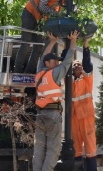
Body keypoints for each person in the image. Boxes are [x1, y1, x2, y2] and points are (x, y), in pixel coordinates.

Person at [33, 30, 79, 171]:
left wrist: (52, 41)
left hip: (40, 115)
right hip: (53, 114)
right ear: (49, 62)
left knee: (39, 147)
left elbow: (43, 57)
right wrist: (73, 40)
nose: (56, 62)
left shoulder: (39, 72)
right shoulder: (55, 73)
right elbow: (68, 60)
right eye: (54, 60)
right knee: (53, 148)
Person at [13, 0, 68, 74]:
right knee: (26, 43)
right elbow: (42, 7)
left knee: (39, 48)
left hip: (41, 19)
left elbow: (62, 7)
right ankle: (17, 72)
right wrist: (57, 15)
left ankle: (28, 73)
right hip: (30, 13)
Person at [71, 37, 97, 171]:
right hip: (74, 118)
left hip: (86, 116)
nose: (77, 66)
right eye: (74, 65)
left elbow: (87, 63)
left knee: (90, 148)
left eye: (78, 65)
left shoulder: (86, 79)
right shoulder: (70, 82)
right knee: (76, 150)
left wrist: (85, 46)